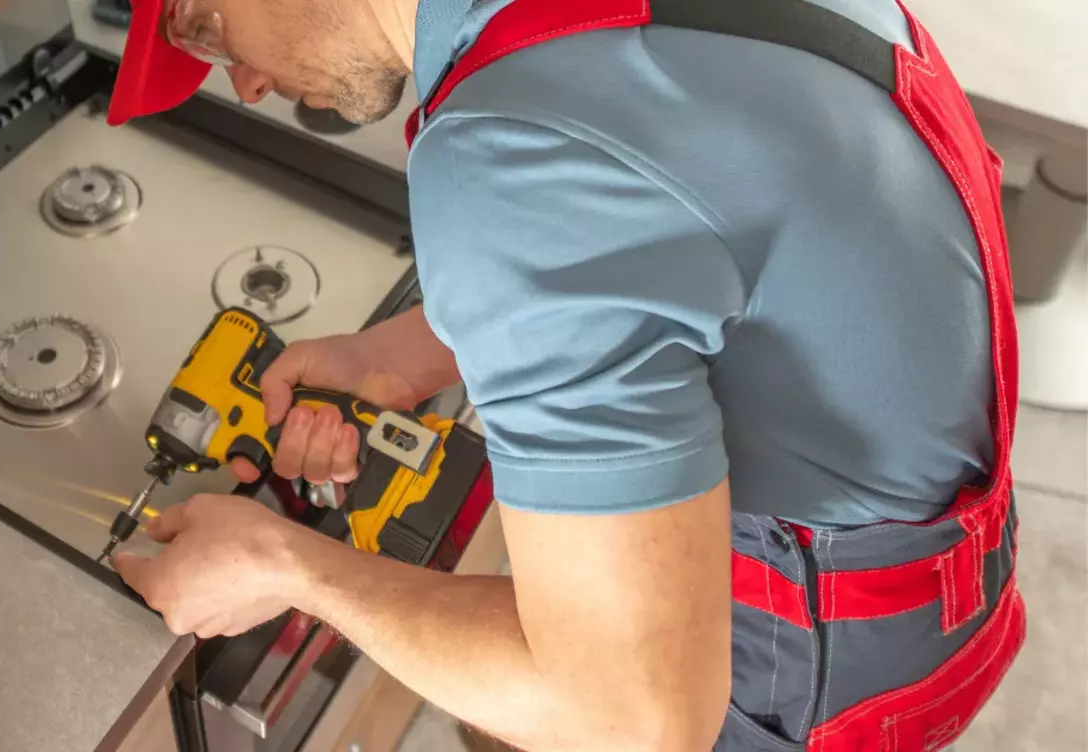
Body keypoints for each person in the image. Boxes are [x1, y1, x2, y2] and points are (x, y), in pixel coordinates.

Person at [104, 0, 1026, 748]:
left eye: (202, 27)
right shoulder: (582, 48)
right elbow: (688, 219)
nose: (250, 83)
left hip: (800, 693)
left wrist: (287, 567)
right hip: (942, 585)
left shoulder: (507, 148)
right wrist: (403, 351)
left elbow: (627, 719)